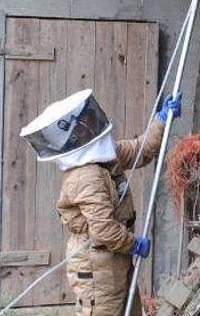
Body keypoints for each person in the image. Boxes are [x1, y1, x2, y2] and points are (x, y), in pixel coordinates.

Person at [20, 89, 182, 316]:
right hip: (97, 268)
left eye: (88, 118)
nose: (90, 122)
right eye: (84, 121)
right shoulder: (85, 176)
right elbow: (104, 229)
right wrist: (133, 244)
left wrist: (162, 120)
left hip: (115, 260)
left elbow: (139, 150)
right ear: (76, 136)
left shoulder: (104, 155)